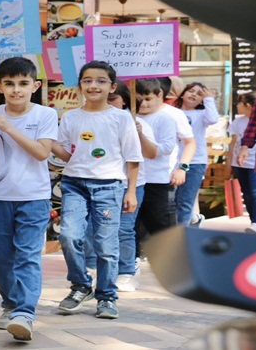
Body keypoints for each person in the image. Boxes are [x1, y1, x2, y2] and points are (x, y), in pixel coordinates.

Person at [0, 57, 58, 341]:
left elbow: (41, 153)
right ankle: (9, 304)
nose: (16, 90)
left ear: (34, 86)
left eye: (23, 84)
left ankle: (25, 312)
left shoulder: (45, 115)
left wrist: (9, 128)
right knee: (1, 257)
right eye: (9, 84)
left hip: (34, 196)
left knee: (27, 255)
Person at [53, 61, 142, 320]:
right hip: (73, 184)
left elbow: (133, 158)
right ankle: (80, 285)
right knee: (68, 236)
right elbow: (64, 153)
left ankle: (106, 296)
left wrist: (131, 191)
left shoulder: (121, 117)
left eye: (101, 81)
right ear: (80, 85)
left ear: (112, 87)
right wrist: (45, 143)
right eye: (87, 80)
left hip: (109, 187)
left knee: (106, 245)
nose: (93, 85)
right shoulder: (70, 117)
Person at [83, 81, 156, 292]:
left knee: (124, 229)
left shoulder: (137, 123)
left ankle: (126, 272)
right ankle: (96, 268)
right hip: (98, 183)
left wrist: (139, 133)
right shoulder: (89, 121)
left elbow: (152, 153)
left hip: (129, 185)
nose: (109, 103)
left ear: (125, 100)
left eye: (113, 98)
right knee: (90, 228)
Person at [134, 78, 183, 248]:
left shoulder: (165, 119)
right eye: (138, 100)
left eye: (148, 99)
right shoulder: (126, 117)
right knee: (132, 225)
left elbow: (166, 148)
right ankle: (132, 260)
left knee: (159, 223)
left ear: (159, 95)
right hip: (130, 181)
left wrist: (142, 138)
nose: (143, 104)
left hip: (156, 180)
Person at [172, 82, 219, 225]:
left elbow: (213, 119)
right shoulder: (172, 112)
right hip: (171, 162)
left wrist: (209, 99)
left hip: (195, 162)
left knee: (185, 201)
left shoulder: (202, 114)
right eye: (191, 91)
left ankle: (181, 239)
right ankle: (194, 218)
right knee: (172, 201)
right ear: (183, 93)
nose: (193, 94)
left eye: (199, 94)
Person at [226, 92, 256, 234]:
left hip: (255, 163)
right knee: (247, 194)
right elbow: (233, 143)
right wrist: (229, 162)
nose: (237, 106)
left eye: (239, 103)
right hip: (239, 164)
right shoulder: (238, 121)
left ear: (247, 105)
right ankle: (254, 222)